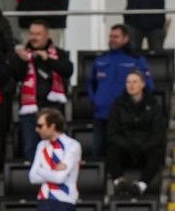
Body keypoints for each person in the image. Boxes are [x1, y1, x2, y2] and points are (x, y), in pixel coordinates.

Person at [84, 24, 150, 156]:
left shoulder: (137, 60)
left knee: (119, 153)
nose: (112, 39)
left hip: (125, 117)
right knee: (98, 151)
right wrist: (95, 100)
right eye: (110, 36)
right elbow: (91, 84)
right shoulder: (100, 60)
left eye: (116, 37)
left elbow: (147, 86)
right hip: (101, 114)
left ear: (126, 39)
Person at [28, 108, 82, 211]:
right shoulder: (41, 146)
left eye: (40, 126)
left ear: (52, 126)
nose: (36, 129)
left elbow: (61, 178)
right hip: (43, 200)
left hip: (64, 201)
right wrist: (53, 170)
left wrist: (42, 171)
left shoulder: (72, 145)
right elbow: (32, 177)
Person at [12, 22, 70, 160]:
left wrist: (48, 59)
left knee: (55, 148)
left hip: (52, 110)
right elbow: (16, 76)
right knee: (30, 148)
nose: (34, 37)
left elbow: (68, 71)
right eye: (32, 33)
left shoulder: (58, 53)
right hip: (30, 110)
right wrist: (23, 62)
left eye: (38, 34)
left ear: (47, 35)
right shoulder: (22, 54)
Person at [105, 68, 166, 194]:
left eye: (134, 82)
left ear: (142, 84)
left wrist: (144, 146)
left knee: (157, 153)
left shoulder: (153, 104)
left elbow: (158, 132)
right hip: (125, 147)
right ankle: (118, 182)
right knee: (111, 150)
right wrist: (128, 145)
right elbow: (112, 132)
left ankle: (141, 185)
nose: (131, 85)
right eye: (128, 82)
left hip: (146, 148)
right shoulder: (118, 104)